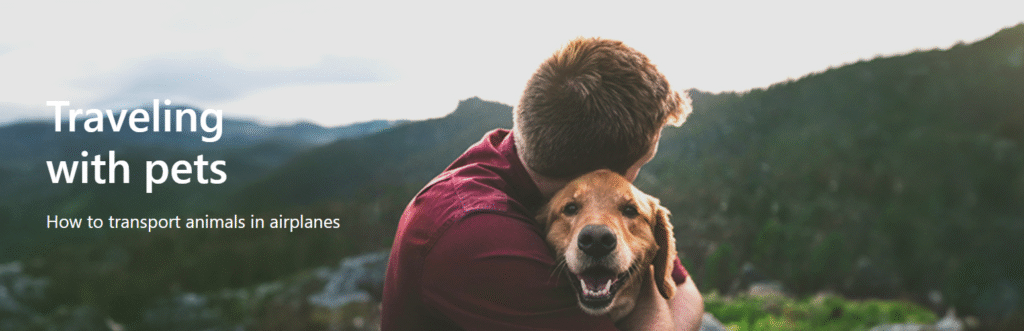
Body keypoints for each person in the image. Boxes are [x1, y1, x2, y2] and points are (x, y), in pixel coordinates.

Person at [382, 37, 704, 330]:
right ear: (599, 173)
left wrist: (646, 266)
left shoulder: (525, 156)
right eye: (641, 164)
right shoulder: (479, 238)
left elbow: (686, 292)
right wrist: (646, 281)